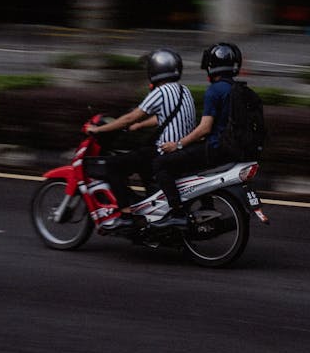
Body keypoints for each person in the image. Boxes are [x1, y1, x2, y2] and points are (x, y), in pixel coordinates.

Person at [86, 48, 197, 230]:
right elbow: (165, 116)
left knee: (113, 165)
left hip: (164, 151)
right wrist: (140, 125)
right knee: (139, 157)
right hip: (181, 150)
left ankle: (126, 215)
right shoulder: (184, 91)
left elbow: (130, 117)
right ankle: (151, 209)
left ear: (155, 70)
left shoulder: (160, 92)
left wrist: (99, 130)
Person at [152, 41, 243, 230]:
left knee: (161, 164)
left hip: (217, 149)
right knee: (190, 159)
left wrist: (177, 144)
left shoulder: (215, 90)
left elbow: (204, 128)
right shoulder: (240, 90)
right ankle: (206, 207)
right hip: (234, 150)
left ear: (211, 66)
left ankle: (176, 213)